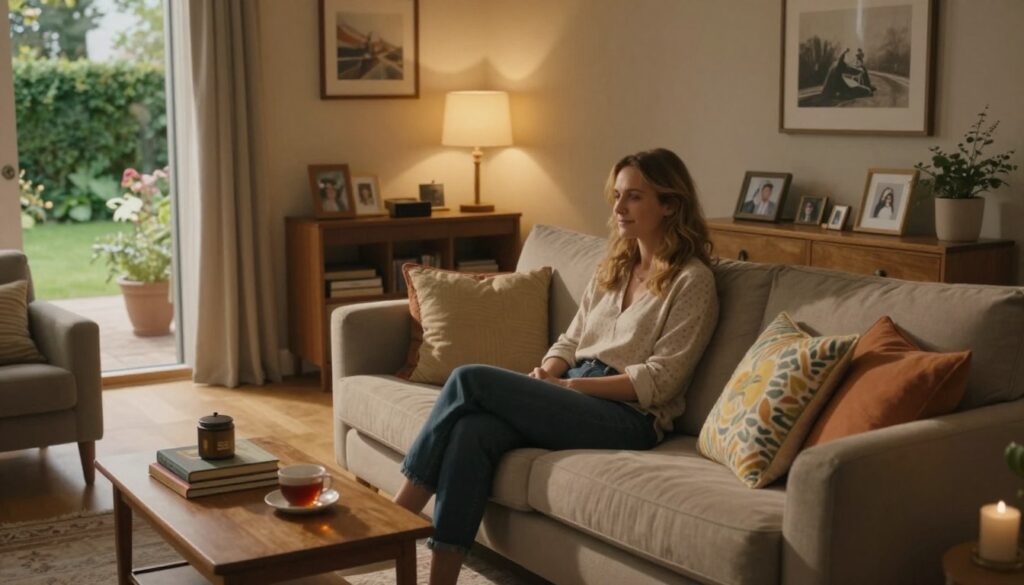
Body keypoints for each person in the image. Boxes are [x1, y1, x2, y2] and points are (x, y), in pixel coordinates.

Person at [392, 148, 720, 585]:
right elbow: (571, 338)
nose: (618, 208)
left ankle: (391, 522)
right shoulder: (615, 267)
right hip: (573, 389)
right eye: (617, 195)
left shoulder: (692, 281)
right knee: (473, 433)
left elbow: (660, 381)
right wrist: (549, 372)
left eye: (634, 197)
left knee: (468, 379)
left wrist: (570, 390)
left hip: (627, 416)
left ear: (670, 205)